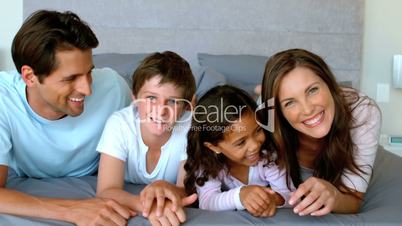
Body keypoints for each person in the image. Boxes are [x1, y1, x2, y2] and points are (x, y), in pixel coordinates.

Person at [0, 10, 134, 225]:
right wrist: (71, 210)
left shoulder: (114, 88)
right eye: (71, 78)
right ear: (29, 76)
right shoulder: (3, 100)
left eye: (89, 72)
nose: (87, 89)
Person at [259, 48, 381, 216]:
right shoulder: (265, 124)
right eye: (289, 103)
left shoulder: (363, 111)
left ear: (330, 84)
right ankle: (259, 91)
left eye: (312, 90)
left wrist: (335, 196)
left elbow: (354, 200)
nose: (308, 110)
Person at [96, 51, 198, 226]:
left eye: (173, 101)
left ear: (185, 108)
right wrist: (149, 206)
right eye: (151, 98)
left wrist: (166, 188)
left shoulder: (189, 128)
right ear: (134, 99)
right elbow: (106, 190)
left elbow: (185, 189)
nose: (161, 110)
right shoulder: (119, 124)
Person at [184, 85, 291, 217]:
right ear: (214, 147)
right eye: (241, 142)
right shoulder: (207, 165)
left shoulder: (268, 156)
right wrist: (241, 196)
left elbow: (290, 196)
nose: (254, 146)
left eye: (258, 130)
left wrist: (275, 199)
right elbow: (207, 202)